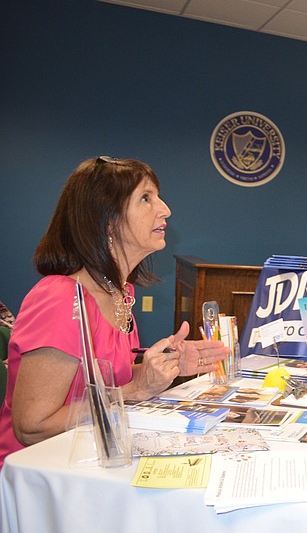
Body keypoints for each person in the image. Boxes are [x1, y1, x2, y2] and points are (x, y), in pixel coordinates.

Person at [0, 156, 230, 468]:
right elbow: (32, 426)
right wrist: (136, 390)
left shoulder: (120, 293)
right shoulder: (60, 298)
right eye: (146, 198)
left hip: (91, 458)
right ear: (106, 220)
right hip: (41, 474)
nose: (165, 209)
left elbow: (104, 382)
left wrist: (166, 366)